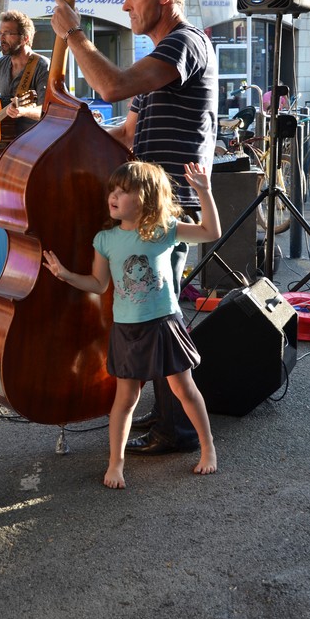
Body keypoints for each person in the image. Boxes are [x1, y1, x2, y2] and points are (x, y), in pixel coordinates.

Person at [51, 0, 218, 456]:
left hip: (169, 207)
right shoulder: (158, 60)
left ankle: (178, 428)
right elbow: (126, 131)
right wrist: (64, 144)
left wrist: (76, 36)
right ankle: (168, 415)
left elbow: (112, 86)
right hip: (147, 206)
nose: (124, 4)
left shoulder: (185, 44)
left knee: (156, 312)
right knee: (149, 310)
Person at [43, 160, 220, 488]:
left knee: (183, 388)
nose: (113, 195)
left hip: (165, 323)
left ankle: (208, 448)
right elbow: (98, 284)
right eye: (113, 189)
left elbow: (211, 233)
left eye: (123, 191)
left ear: (147, 198)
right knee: (125, 399)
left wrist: (205, 193)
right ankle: (116, 463)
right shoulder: (105, 239)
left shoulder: (164, 229)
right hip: (128, 328)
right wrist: (64, 275)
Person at [0, 10, 49, 151]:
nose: (1, 38)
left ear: (25, 38)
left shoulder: (42, 66)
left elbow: (49, 111)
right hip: (6, 144)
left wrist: (24, 111)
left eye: (7, 33)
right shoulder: (1, 64)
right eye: (0, 33)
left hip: (34, 145)